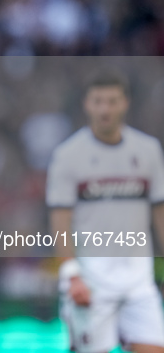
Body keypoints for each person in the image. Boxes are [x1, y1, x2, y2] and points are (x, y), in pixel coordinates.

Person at [46, 74, 164, 352]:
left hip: (139, 281)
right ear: (87, 104)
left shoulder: (148, 150)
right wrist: (71, 274)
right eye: (99, 101)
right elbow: (60, 219)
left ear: (125, 103)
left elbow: (160, 211)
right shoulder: (68, 155)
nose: (105, 109)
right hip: (91, 282)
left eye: (112, 101)